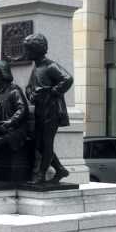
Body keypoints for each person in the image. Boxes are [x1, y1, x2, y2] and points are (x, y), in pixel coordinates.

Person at [24, 33, 72, 184]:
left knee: (47, 141)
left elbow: (67, 78)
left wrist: (54, 92)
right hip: (40, 109)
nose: (26, 52)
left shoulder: (50, 66)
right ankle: (60, 169)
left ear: (37, 49)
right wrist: (29, 93)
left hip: (51, 109)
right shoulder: (35, 69)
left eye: (28, 49)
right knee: (38, 142)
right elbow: (29, 86)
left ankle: (41, 173)